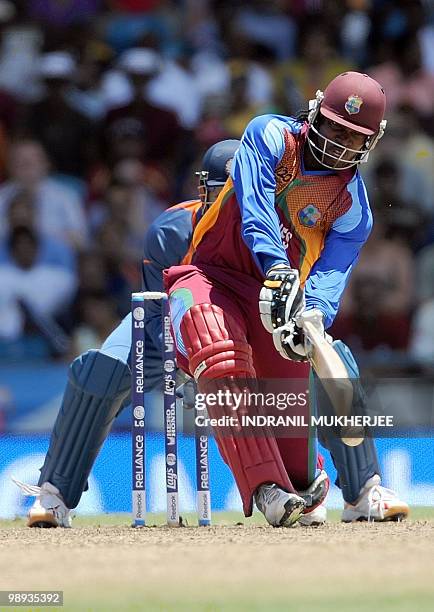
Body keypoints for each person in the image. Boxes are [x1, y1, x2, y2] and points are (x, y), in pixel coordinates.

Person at [15, 135, 407, 527]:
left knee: (332, 361)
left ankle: (362, 491)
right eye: (224, 194)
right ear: (205, 191)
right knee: (97, 373)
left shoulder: (284, 228)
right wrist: (193, 369)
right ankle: (54, 495)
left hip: (259, 331)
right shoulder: (172, 229)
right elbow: (155, 317)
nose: (230, 207)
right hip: (173, 330)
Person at [164, 71, 409, 527]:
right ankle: (264, 489)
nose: (338, 143)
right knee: (215, 345)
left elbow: (332, 274)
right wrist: (278, 269)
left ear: (371, 143)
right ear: (315, 114)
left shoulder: (354, 208)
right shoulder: (270, 135)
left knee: (300, 474)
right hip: (211, 276)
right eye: (333, 126)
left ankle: (320, 485)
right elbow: (256, 210)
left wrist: (312, 313)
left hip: (282, 299)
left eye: (352, 137)